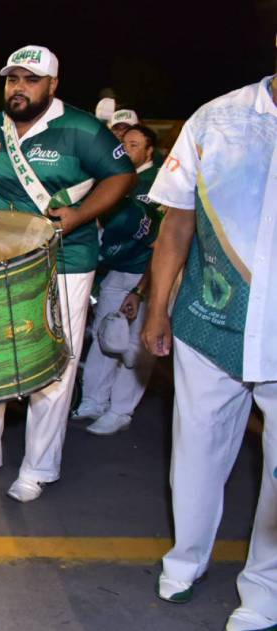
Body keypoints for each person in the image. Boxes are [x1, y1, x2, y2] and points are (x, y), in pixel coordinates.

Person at [0, 45, 136, 502]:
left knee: (53, 360)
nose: (19, 88)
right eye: (13, 79)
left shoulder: (82, 128)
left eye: (31, 80)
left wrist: (81, 214)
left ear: (53, 84)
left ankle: (39, 467)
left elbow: (122, 176)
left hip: (64, 258)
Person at [141, 73, 277, 631]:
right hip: (209, 319)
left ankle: (265, 589)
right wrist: (157, 309)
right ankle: (185, 560)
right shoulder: (216, 117)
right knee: (196, 452)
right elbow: (177, 223)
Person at [73, 124, 161, 435]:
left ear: (149, 151)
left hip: (146, 273)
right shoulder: (114, 179)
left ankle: (121, 410)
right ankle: (94, 401)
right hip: (115, 272)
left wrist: (141, 290)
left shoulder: (160, 182)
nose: (125, 150)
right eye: (123, 144)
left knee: (134, 344)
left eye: (134, 145)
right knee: (104, 335)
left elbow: (161, 245)